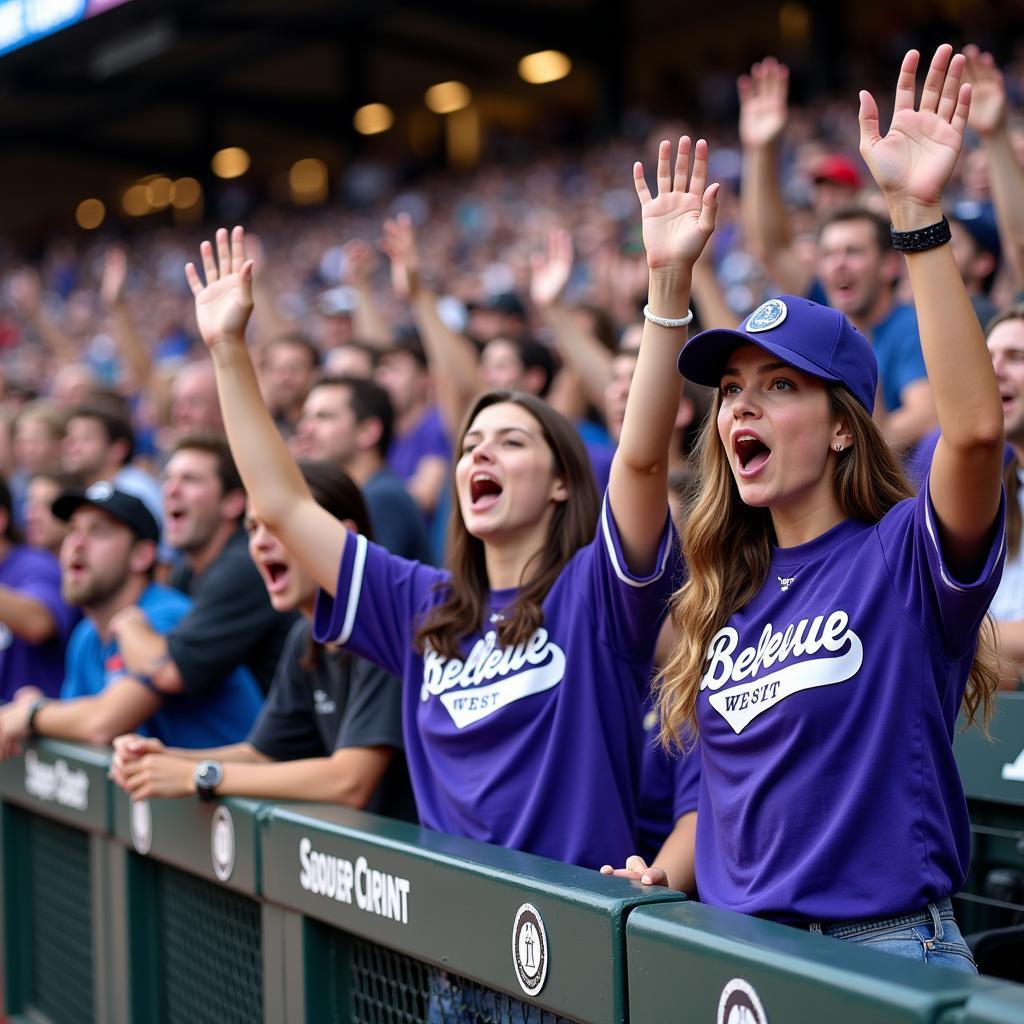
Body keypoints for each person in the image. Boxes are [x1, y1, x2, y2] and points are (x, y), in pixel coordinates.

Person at [183, 130, 717, 868]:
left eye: (510, 441)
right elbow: (280, 503)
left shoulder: (596, 594)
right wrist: (227, 353)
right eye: (469, 445)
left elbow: (644, 457)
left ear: (563, 481)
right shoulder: (419, 605)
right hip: (450, 960)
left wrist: (666, 286)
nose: (480, 455)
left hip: (568, 950)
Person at [620, 46, 1004, 972]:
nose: (740, 407)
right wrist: (662, 877)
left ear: (842, 428)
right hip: (739, 960)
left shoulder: (902, 558)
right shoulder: (722, 600)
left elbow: (979, 435)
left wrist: (915, 217)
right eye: (732, 391)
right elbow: (719, 804)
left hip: (883, 958)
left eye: (778, 387)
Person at [108, 462, 414, 820]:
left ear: (342, 537)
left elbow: (349, 782)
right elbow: (261, 754)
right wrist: (162, 760)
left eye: (280, 527)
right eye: (253, 528)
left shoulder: (388, 626)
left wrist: (198, 775)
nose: (261, 543)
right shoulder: (305, 635)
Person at [0, 483, 261, 753]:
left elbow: (102, 723)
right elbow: (76, 723)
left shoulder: (168, 616)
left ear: (142, 555)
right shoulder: (86, 635)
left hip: (236, 787)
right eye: (72, 531)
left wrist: (34, 712)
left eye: (98, 532)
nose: (77, 544)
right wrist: (43, 710)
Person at [110, 434, 297, 696]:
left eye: (190, 479)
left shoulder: (244, 566)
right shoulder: (187, 570)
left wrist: (129, 623)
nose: (171, 490)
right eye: (168, 479)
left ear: (232, 502)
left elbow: (170, 673)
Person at [292, 376, 432, 562]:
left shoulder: (383, 497)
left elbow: (370, 582)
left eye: (324, 417)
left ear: (368, 432)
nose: (305, 429)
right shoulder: (367, 492)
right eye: (306, 417)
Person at [0, 477, 78, 702]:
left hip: (36, 724)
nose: (33, 513)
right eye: (30, 503)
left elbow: (39, 622)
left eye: (45, 505)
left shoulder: (36, 563)